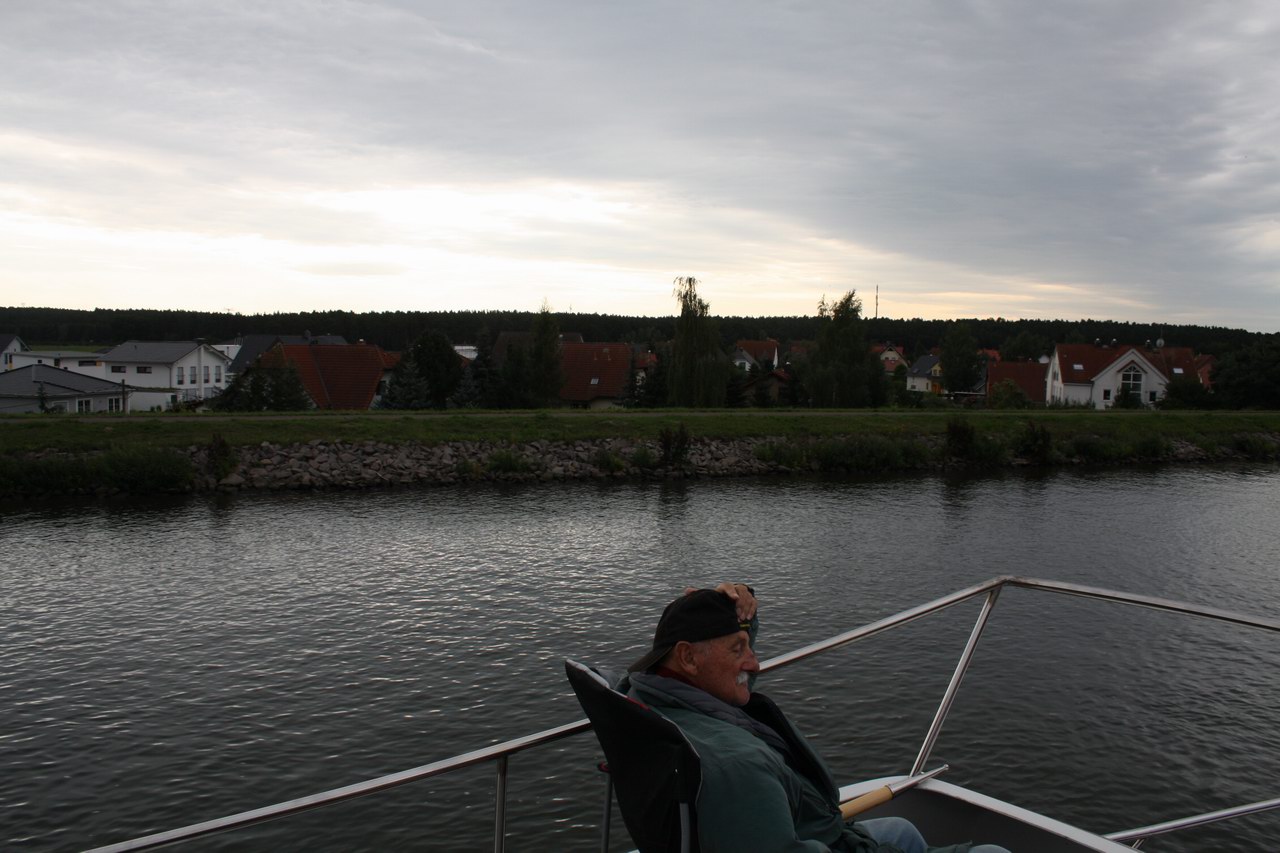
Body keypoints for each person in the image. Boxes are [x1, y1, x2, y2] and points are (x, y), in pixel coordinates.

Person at [621, 583, 1011, 853]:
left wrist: (739, 607)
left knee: (901, 828)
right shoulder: (737, 767)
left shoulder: (646, 698)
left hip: (807, 828)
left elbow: (721, 666)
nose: (754, 663)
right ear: (688, 657)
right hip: (817, 839)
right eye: (738, 649)